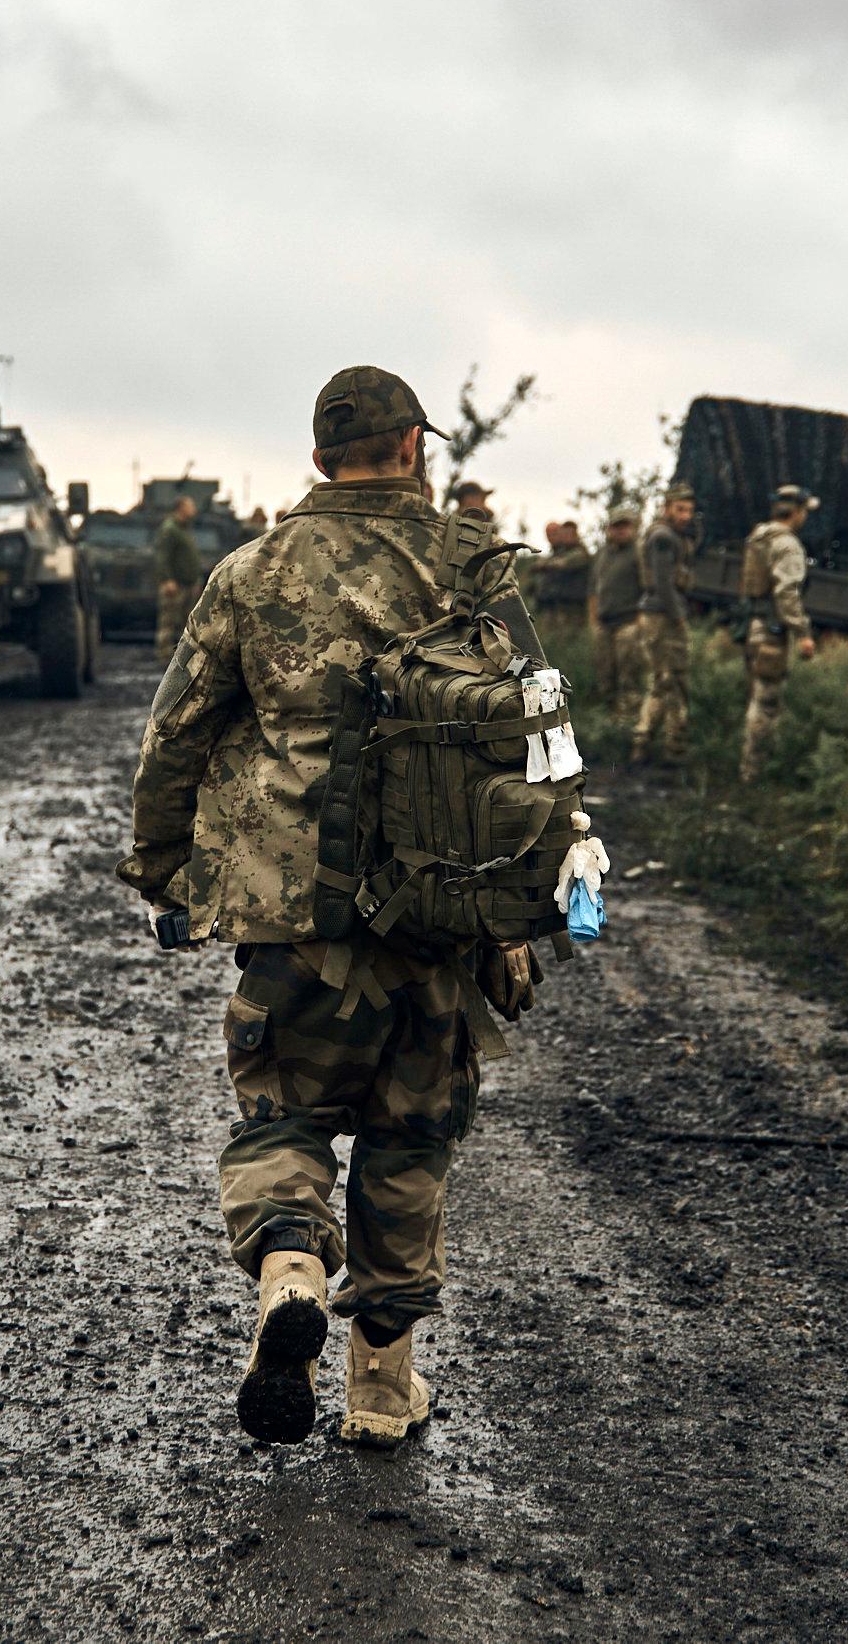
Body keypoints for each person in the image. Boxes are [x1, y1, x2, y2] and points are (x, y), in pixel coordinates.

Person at [116, 366, 549, 1449]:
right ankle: (379, 1387)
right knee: (412, 1137)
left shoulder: (250, 569)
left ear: (319, 461)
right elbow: (538, 742)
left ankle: (290, 1276)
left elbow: (176, 733)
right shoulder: (471, 566)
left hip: (288, 909)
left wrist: (163, 865)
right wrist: (529, 912)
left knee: (285, 1115)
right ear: (413, 447)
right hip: (440, 910)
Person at [739, 484, 820, 783]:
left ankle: (751, 767)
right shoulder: (787, 544)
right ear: (797, 512)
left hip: (753, 626)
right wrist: (803, 632)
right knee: (766, 702)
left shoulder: (758, 537)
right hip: (772, 631)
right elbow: (786, 591)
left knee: (755, 697)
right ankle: (754, 773)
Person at [630, 485, 697, 763]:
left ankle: (646, 744)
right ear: (666, 508)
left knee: (665, 681)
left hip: (660, 614)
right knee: (670, 681)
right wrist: (678, 616)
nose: (686, 515)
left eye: (690, 510)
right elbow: (663, 583)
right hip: (663, 616)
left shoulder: (670, 535)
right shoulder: (663, 537)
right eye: (680, 509)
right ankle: (666, 746)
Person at [590, 504, 645, 724]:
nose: (620, 530)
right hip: (604, 624)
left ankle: (628, 720)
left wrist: (640, 622)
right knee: (605, 674)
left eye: (625, 526)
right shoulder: (602, 554)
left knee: (628, 675)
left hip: (628, 623)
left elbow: (648, 589)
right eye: (616, 526)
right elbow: (593, 590)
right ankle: (608, 719)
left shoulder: (638, 553)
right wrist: (593, 621)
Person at [524, 519, 593, 644]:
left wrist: (542, 565)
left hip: (573, 609)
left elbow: (562, 564)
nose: (564, 537)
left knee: (569, 643)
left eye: (568, 534)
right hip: (556, 606)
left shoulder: (579, 553)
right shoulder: (559, 553)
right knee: (551, 641)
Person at [153, 494, 204, 653]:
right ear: (181, 507)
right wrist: (167, 579)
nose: (194, 509)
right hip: (175, 584)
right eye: (191, 506)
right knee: (168, 622)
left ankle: (183, 655)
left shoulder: (184, 528)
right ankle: (164, 654)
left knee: (187, 622)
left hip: (188, 584)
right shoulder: (170, 529)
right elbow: (163, 556)